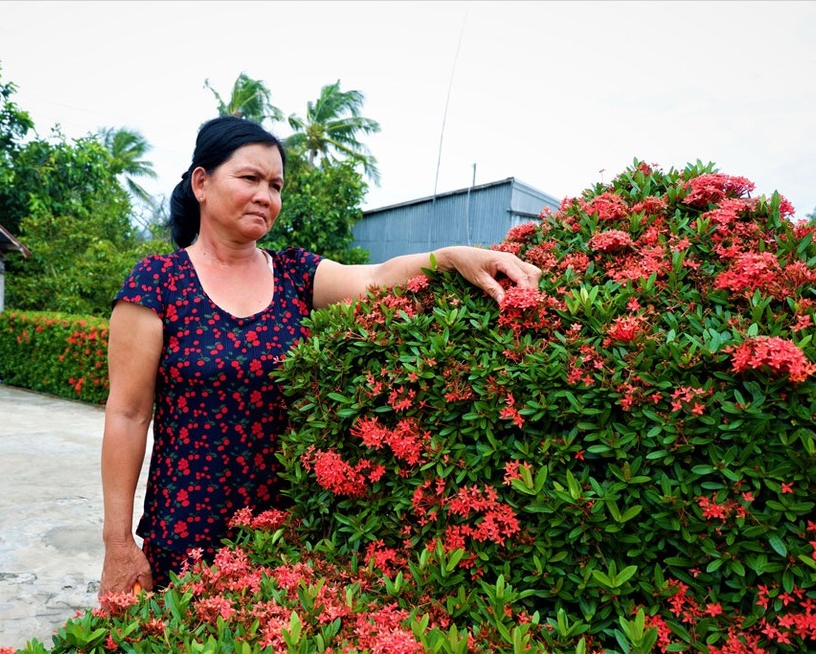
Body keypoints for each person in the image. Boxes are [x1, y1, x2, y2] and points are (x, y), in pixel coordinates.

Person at [98, 116, 542, 595]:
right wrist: (118, 542)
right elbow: (127, 415)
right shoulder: (157, 283)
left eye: (275, 184)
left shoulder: (294, 274)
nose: (265, 196)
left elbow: (375, 277)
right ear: (201, 183)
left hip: (286, 529)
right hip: (186, 525)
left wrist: (453, 256)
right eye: (249, 178)